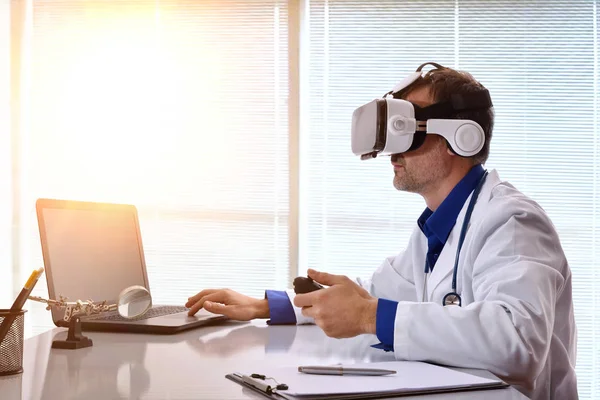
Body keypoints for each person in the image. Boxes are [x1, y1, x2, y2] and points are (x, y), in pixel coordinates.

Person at [185, 64, 577, 400]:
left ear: (463, 137)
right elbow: (374, 292)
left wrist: (370, 317)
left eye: (408, 130)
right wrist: (269, 306)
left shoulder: (512, 221)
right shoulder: (436, 228)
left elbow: (518, 341)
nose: (393, 152)